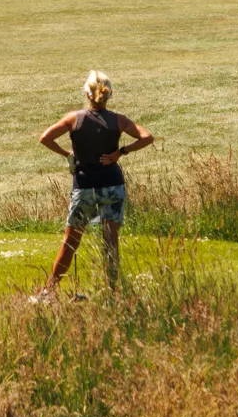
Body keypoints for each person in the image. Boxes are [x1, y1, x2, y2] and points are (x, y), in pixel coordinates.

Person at [39, 71, 154, 296]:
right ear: (109, 94)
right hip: (113, 185)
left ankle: (49, 292)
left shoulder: (74, 119)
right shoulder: (118, 120)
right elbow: (147, 137)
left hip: (84, 187)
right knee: (110, 242)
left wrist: (67, 154)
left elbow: (45, 138)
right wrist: (120, 152)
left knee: (70, 242)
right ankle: (113, 294)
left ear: (87, 94)